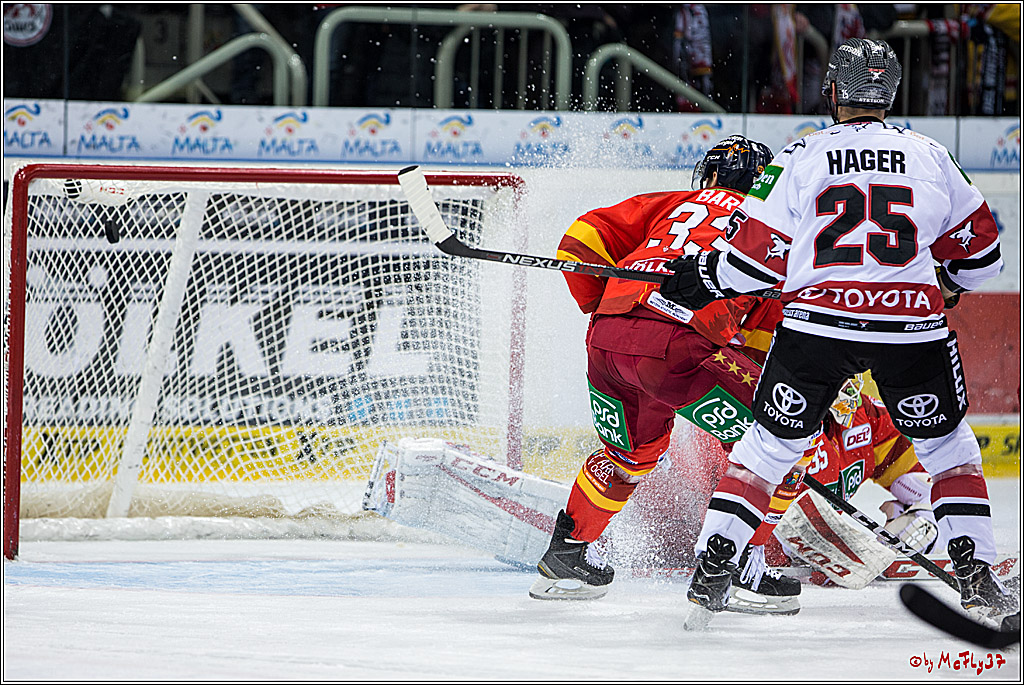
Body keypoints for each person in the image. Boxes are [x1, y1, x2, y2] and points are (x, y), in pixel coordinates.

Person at [659, 37, 1017, 627]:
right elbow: (983, 261)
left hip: (816, 326)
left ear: (832, 92)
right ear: (889, 94)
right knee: (949, 451)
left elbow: (755, 261)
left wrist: (703, 273)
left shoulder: (802, 153)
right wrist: (947, 281)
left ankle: (713, 568)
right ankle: (978, 578)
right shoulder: (932, 155)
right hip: (911, 328)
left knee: (767, 448)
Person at [530, 134, 796, 604]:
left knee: (629, 456)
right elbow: (760, 343)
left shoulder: (670, 203)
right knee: (783, 438)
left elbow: (580, 239)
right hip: (679, 348)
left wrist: (603, 301)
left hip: (606, 341)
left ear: (708, 175)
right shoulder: (767, 229)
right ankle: (743, 567)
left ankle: (567, 554)